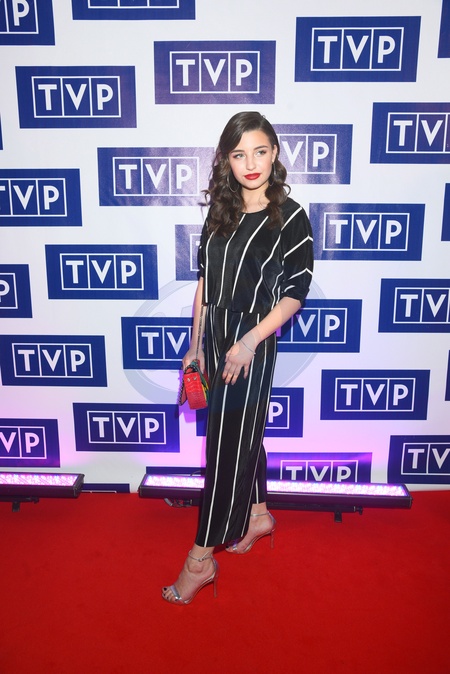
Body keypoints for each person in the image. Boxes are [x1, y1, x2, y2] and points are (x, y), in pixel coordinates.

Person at [162, 111, 314, 604]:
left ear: (275, 153)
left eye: (260, 151)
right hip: (214, 337)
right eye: (239, 154)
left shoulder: (290, 217)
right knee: (240, 432)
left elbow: (294, 294)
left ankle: (200, 559)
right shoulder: (220, 212)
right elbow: (205, 284)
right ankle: (258, 514)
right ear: (227, 160)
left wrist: (248, 342)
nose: (251, 163)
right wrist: (195, 344)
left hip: (252, 342)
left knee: (226, 446)